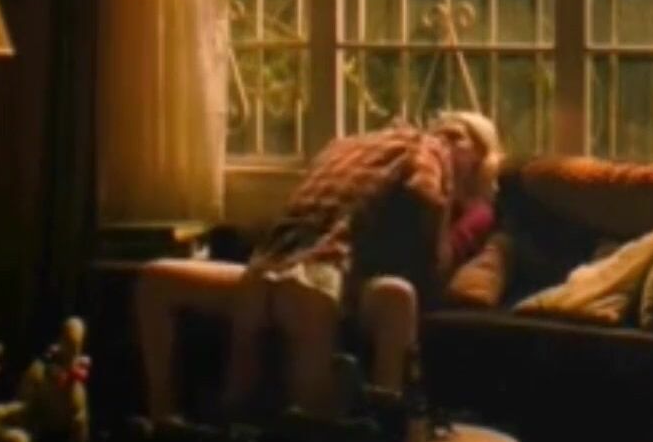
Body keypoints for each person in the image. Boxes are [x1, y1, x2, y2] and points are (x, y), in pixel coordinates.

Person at [136, 112, 502, 421]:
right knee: (309, 416)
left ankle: (167, 421)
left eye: (459, 137)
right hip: (318, 270)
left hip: (271, 264)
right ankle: (369, 437)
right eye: (447, 130)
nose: (445, 138)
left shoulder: (352, 145)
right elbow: (424, 198)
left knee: (241, 396)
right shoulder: (427, 152)